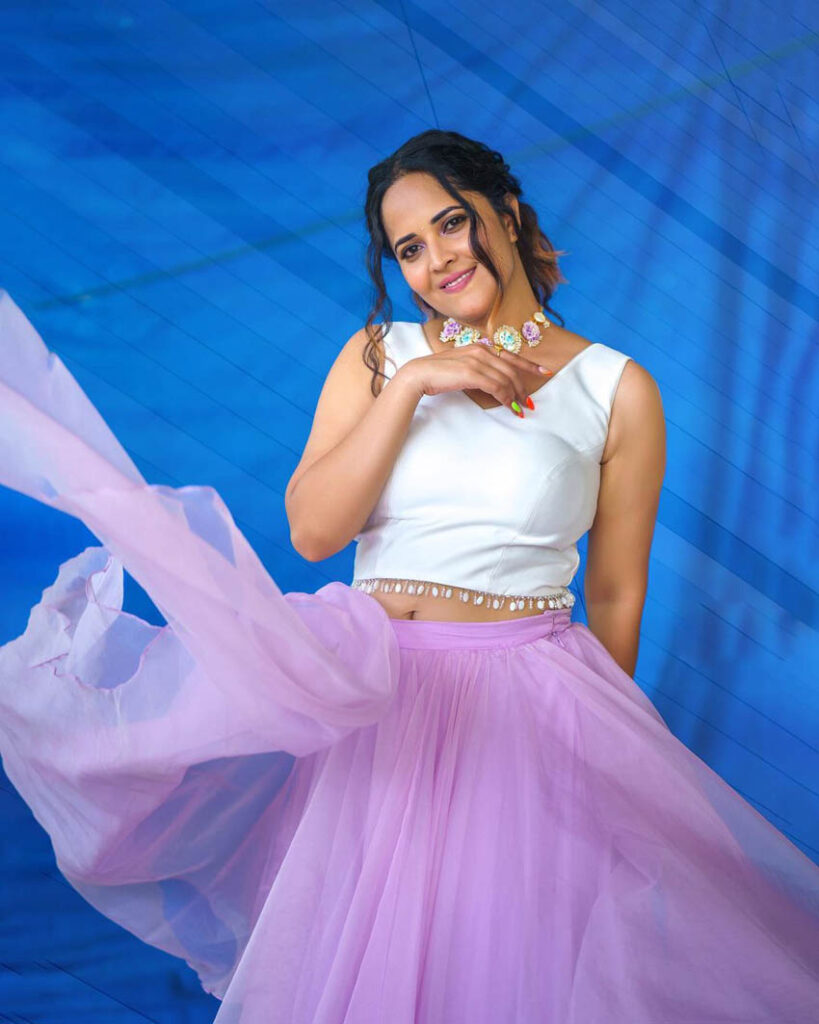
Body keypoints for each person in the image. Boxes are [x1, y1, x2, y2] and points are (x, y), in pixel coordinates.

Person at [0, 129, 817, 1023]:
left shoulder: (615, 388)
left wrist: (600, 756)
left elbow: (616, 591)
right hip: (380, 698)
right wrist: (414, 385)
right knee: (368, 963)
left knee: (501, 958)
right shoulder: (378, 357)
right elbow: (315, 531)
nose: (438, 260)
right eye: (409, 249)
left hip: (524, 707)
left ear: (507, 214)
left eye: (452, 224)